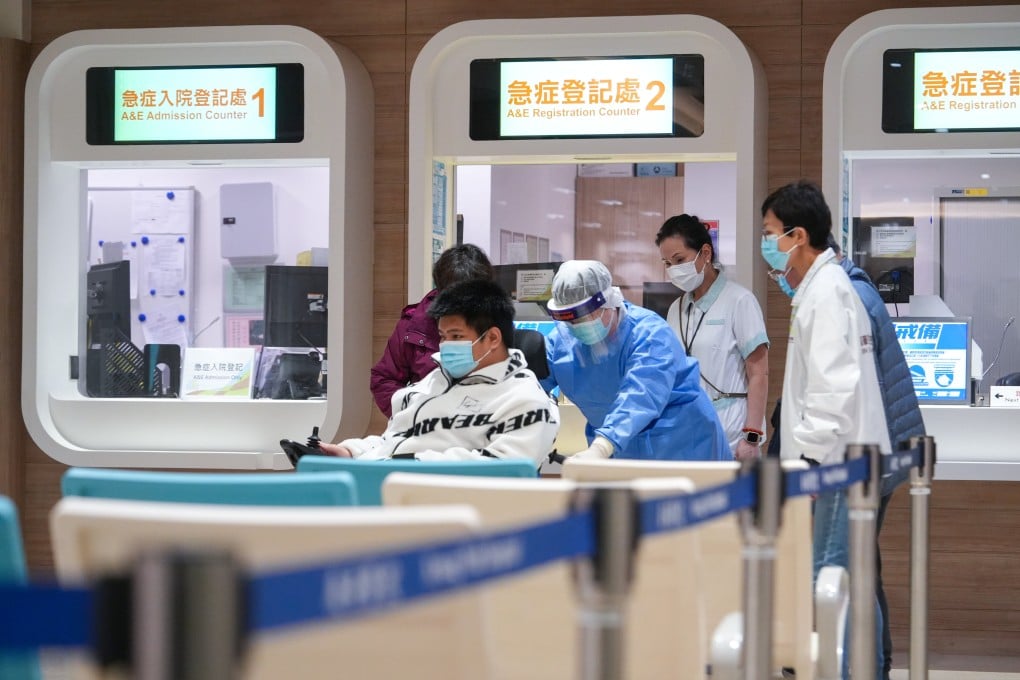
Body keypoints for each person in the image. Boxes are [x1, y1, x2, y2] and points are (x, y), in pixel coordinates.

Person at [767, 236, 927, 680]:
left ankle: (862, 667)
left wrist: (816, 462)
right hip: (870, 453)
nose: (786, 274)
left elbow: (842, 391)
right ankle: (872, 666)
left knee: (841, 576)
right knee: (857, 571)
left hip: (854, 458)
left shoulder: (841, 292)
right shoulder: (852, 288)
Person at [761, 180, 891, 679]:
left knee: (829, 584)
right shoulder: (823, 287)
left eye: (771, 233)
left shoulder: (826, 292)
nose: (767, 243)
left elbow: (833, 388)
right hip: (845, 459)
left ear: (798, 235)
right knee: (850, 584)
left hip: (835, 465)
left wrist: (810, 463)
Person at [319, 279, 558, 465]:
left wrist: (410, 463)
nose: (445, 346)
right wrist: (351, 452)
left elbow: (504, 470)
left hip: (451, 513)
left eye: (456, 336)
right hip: (389, 491)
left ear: (493, 338)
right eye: (443, 337)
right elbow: (395, 438)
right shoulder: (432, 382)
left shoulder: (526, 401)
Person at [540, 259, 728, 461]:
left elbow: (639, 396)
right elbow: (531, 385)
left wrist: (601, 448)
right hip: (616, 448)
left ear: (608, 302)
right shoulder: (562, 342)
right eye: (568, 320)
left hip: (681, 443)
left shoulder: (650, 335)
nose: (576, 326)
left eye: (583, 317)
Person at [655, 214, 770, 460]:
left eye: (679, 260)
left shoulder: (740, 301)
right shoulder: (675, 309)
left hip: (732, 433)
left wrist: (752, 435)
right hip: (686, 433)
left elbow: (759, 373)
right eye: (667, 263)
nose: (673, 270)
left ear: (705, 253)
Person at [369, 243, 494, 417]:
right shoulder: (414, 325)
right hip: (424, 427)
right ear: (440, 290)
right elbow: (384, 379)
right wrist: (413, 415)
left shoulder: (495, 323)